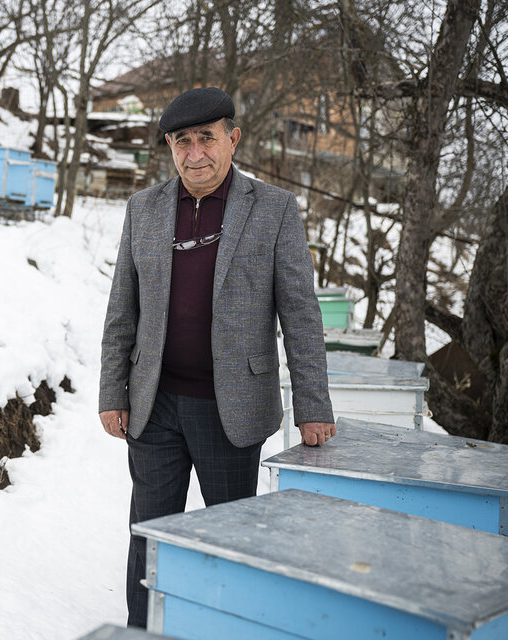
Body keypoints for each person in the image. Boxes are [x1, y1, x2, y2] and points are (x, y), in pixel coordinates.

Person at [98, 86, 336, 628]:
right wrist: (113, 392)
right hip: (153, 405)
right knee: (149, 535)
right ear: (170, 147)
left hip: (231, 408)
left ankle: (223, 628)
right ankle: (143, 630)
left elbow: (300, 314)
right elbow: (121, 312)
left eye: (207, 138)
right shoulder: (144, 209)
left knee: (228, 539)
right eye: (182, 141)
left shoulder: (273, 209)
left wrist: (313, 405)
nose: (195, 152)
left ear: (233, 139)